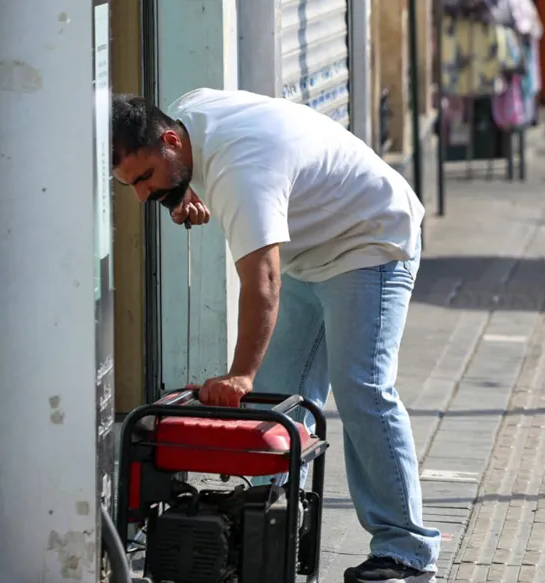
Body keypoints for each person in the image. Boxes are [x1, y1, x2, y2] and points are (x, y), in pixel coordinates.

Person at [110, 89, 439, 583]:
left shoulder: (241, 170)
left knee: (363, 390)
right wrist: (179, 190)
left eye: (144, 179)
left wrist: (241, 373)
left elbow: (262, 281)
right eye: (130, 183)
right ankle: (265, 536)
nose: (141, 195)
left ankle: (406, 552)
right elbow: (186, 168)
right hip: (310, 252)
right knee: (280, 402)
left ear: (172, 142)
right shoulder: (188, 114)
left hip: (369, 241)